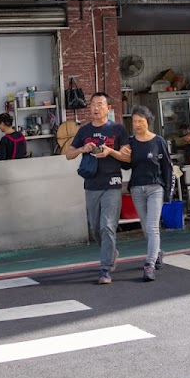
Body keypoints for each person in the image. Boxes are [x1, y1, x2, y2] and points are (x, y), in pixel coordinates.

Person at [63, 92, 128, 285]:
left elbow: (127, 157)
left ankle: (105, 269)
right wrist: (83, 149)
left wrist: (110, 151)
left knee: (107, 225)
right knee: (95, 228)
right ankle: (111, 252)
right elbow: (68, 155)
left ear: (108, 108)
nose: (96, 108)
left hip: (112, 183)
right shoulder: (84, 131)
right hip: (91, 184)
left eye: (100, 104)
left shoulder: (117, 129)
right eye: (93, 105)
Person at [119, 105, 172, 282]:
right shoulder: (131, 142)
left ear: (148, 121)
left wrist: (168, 193)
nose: (137, 125)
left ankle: (149, 265)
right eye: (134, 121)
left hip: (155, 187)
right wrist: (121, 155)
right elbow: (126, 165)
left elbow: (167, 168)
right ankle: (157, 252)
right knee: (145, 227)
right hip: (137, 188)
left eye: (140, 121)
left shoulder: (158, 141)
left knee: (152, 226)